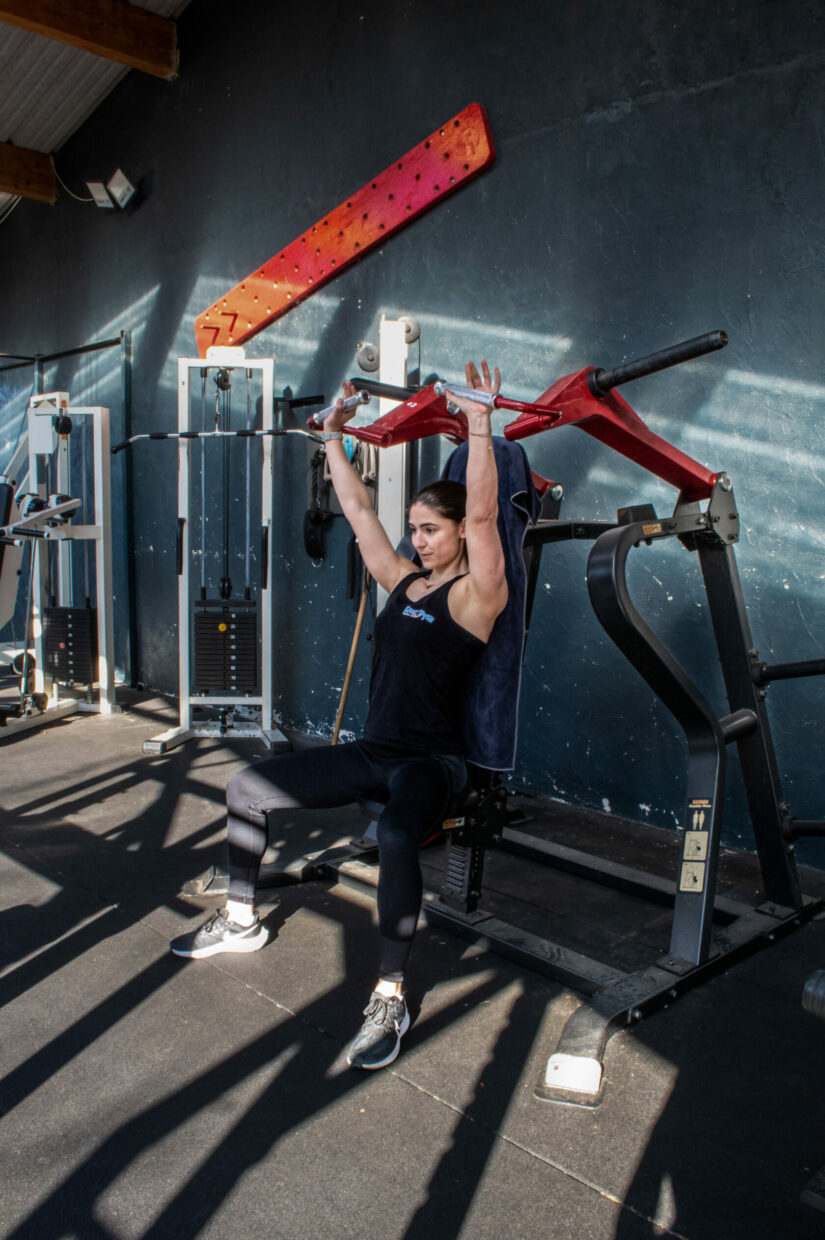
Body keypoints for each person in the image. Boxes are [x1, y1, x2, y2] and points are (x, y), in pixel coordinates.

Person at [170, 361, 508, 1070]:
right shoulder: (403, 582)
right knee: (247, 789)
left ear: (459, 533)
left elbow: (484, 516)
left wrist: (479, 425)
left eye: (431, 530)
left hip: (431, 763)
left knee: (396, 835)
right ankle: (240, 919)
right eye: (414, 529)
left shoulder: (478, 596)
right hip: (374, 749)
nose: (419, 540)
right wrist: (330, 437)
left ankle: (389, 993)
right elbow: (357, 514)